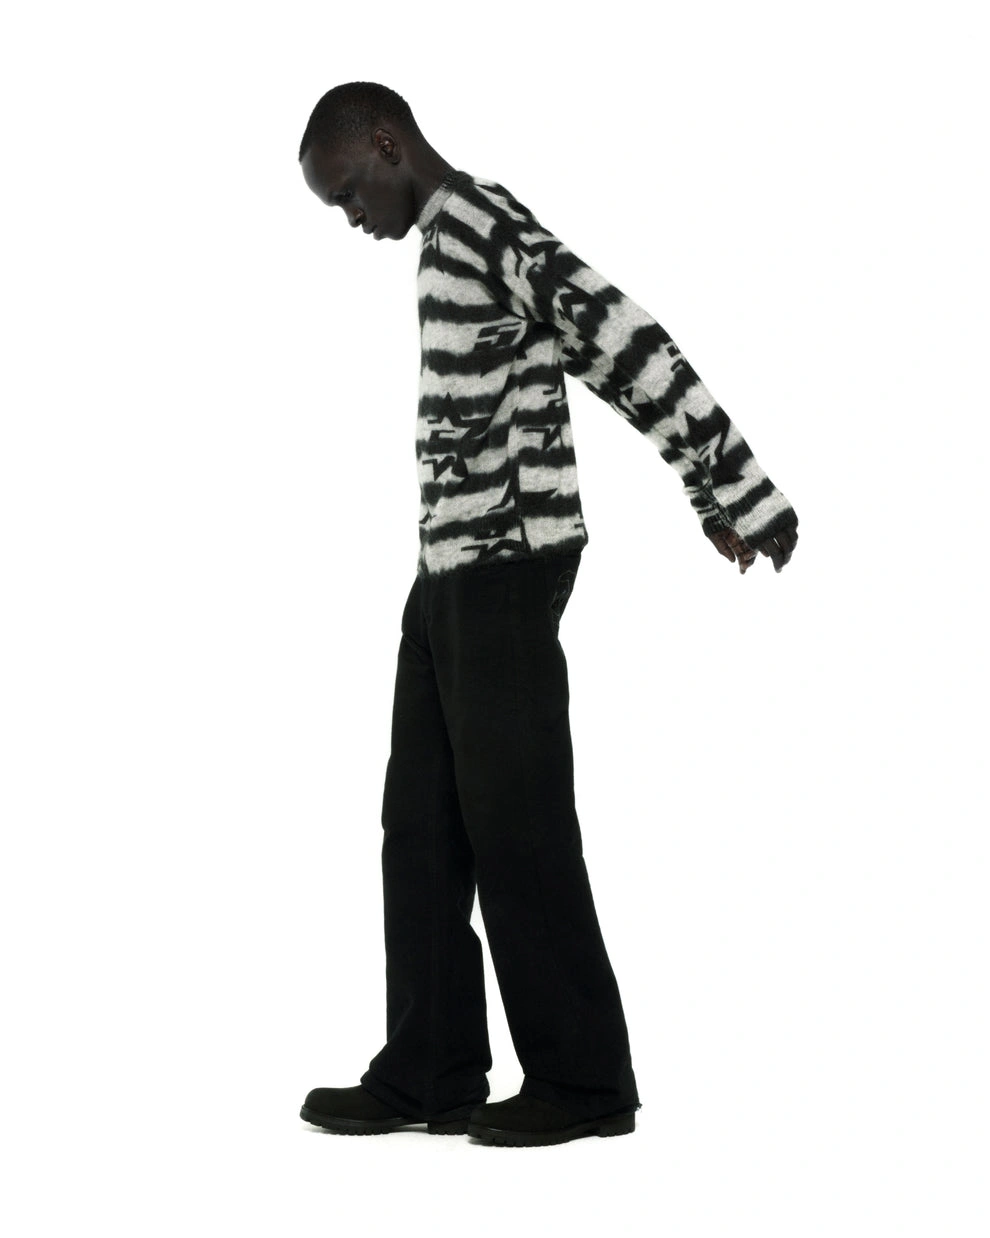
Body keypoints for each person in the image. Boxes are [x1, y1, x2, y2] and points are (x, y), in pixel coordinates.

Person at [296, 81, 799, 1149]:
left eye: (348, 194)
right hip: (447, 571)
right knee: (420, 825)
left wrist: (729, 489)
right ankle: (431, 1067)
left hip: (509, 564)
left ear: (386, 142)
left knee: (516, 823)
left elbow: (620, 339)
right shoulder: (441, 240)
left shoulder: (481, 221)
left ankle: (583, 1080)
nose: (353, 219)